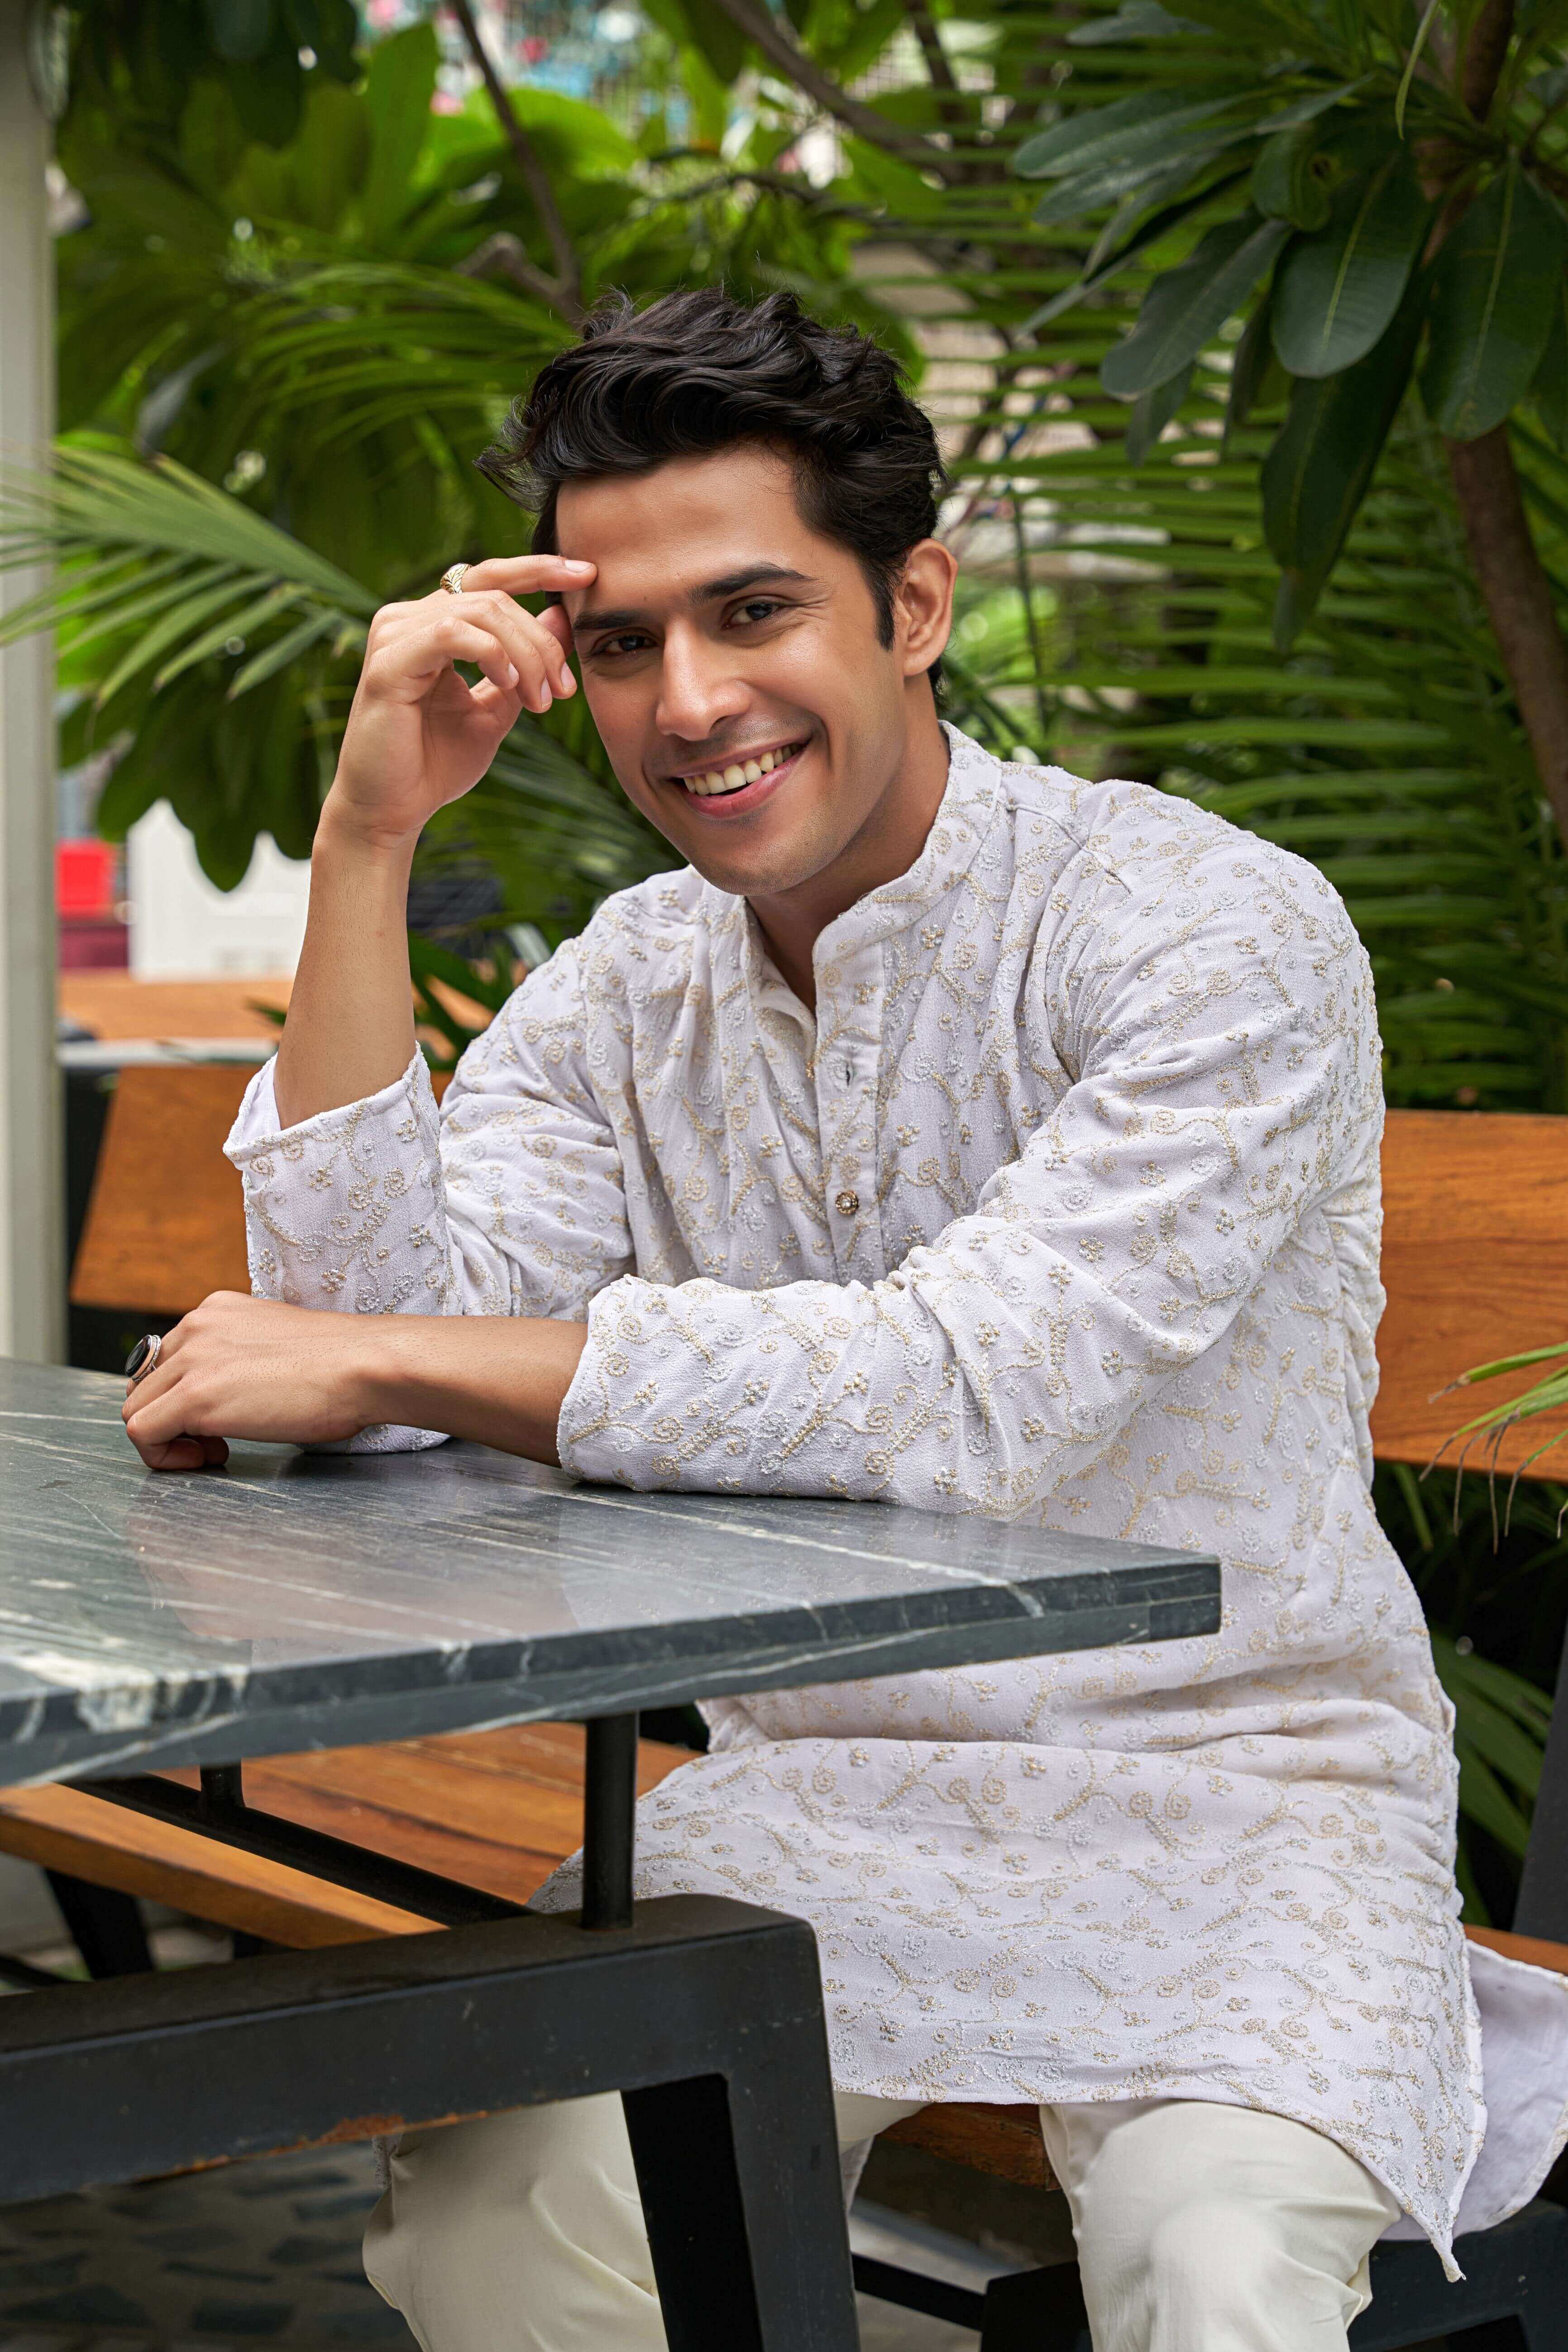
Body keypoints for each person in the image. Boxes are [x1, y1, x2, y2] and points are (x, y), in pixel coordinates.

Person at [121, 288, 1565, 2352]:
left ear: (912, 606)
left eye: (750, 615)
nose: (687, 702)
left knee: (1212, 2260)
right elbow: (354, 1351)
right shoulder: (633, 982)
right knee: (497, 2198)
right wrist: (375, 838)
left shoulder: (1201, 929)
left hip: (1245, 1802)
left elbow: (962, 1389)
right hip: (821, 1805)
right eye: (619, 646)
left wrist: (389, 1361)